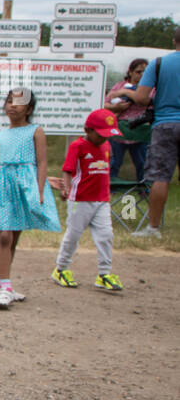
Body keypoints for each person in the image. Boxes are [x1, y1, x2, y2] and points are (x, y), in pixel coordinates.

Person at [0, 87, 61, 309]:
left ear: (29, 109)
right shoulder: (1, 134)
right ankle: (5, 286)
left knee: (14, 234)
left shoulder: (36, 131)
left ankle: (0, 280)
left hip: (25, 185)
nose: (12, 105)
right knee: (4, 235)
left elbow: (42, 162)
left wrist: (40, 189)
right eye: (9, 101)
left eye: (18, 102)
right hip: (4, 185)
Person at [51, 108, 124, 293]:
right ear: (87, 130)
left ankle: (104, 274)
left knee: (106, 235)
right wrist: (66, 189)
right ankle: (61, 269)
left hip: (102, 200)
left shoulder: (107, 146)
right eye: (101, 134)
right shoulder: (78, 146)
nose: (104, 139)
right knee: (73, 236)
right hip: (80, 200)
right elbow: (68, 170)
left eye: (107, 135)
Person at [124, 27, 180, 238]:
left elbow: (141, 98)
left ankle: (153, 227)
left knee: (161, 177)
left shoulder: (159, 64)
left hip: (164, 124)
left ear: (174, 40)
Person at [104, 58, 150, 181]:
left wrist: (126, 92)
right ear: (130, 72)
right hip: (120, 128)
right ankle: (112, 185)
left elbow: (147, 101)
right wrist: (115, 107)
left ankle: (143, 186)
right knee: (115, 160)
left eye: (145, 72)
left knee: (142, 162)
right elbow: (105, 103)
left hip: (141, 129)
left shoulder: (150, 88)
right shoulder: (119, 86)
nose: (141, 75)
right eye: (138, 72)